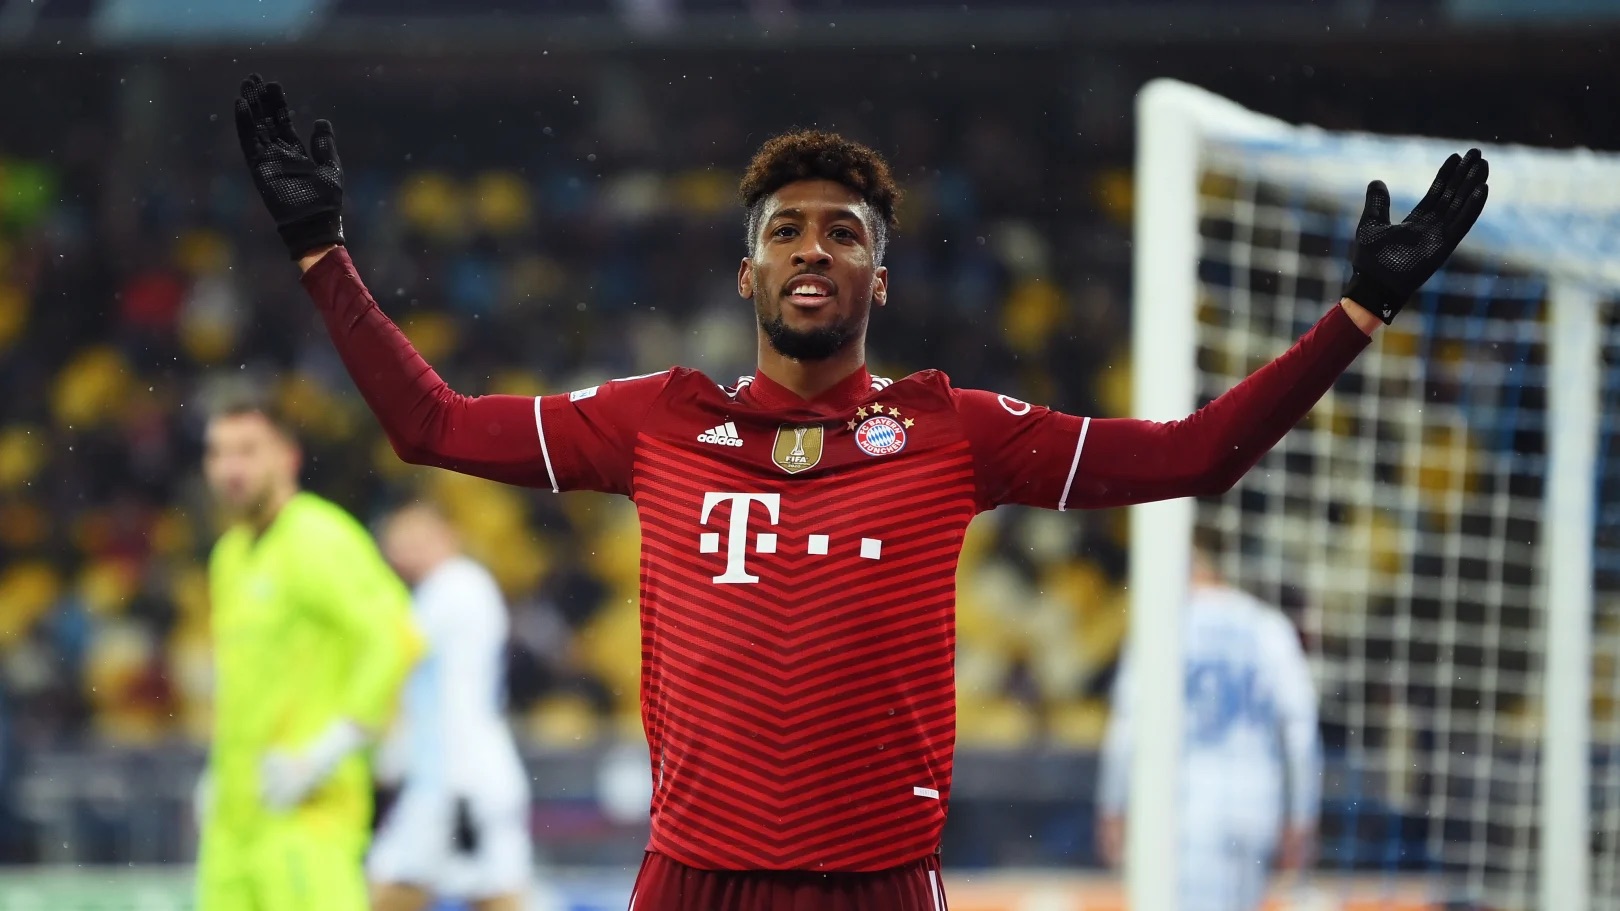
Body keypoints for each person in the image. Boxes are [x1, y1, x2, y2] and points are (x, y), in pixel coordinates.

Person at [231, 72, 1487, 910]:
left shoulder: (953, 429)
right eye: (786, 229)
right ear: (747, 272)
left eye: (844, 232)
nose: (813, 248)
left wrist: (1356, 313)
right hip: (694, 876)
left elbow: (1196, 453)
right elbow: (431, 424)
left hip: (878, 880)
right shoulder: (659, 418)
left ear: (877, 279)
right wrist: (321, 254)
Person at [197, 396, 422, 911]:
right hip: (234, 819)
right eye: (218, 453)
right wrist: (217, 774)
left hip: (308, 814)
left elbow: (394, 636)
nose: (230, 468)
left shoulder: (320, 538)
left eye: (248, 451)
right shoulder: (228, 556)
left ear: (287, 457)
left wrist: (325, 751)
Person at [1095, 544, 1321, 911]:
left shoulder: (1162, 629)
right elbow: (1300, 731)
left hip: (1184, 806)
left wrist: (1113, 805)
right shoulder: (1268, 627)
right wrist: (1301, 813)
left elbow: (1127, 729)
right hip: (1255, 803)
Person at [368, 502, 533, 911]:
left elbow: (395, 652)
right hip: (459, 775)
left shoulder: (457, 584)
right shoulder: (443, 590)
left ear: (449, 537)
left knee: (392, 887)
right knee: (490, 892)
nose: (406, 548)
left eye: (418, 538)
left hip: (457, 779)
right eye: (400, 540)